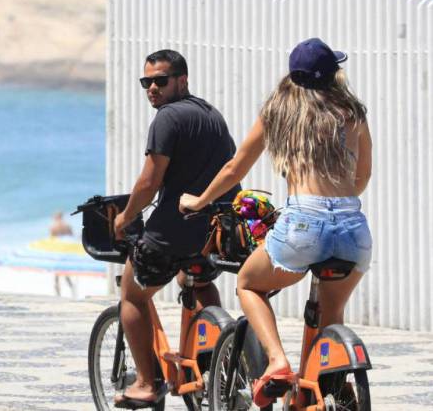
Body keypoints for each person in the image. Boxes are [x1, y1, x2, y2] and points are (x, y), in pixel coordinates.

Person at [180, 38, 372, 407]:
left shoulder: (278, 112)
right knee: (329, 318)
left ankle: (278, 362)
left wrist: (200, 200)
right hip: (353, 228)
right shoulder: (352, 112)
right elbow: (362, 176)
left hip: (303, 224)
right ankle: (323, 390)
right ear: (334, 74)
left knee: (249, 283)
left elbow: (236, 167)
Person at [111, 49, 239, 408]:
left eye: (160, 81)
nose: (152, 88)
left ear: (182, 80)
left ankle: (146, 383)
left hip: (175, 230)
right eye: (146, 82)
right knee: (196, 279)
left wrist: (125, 217)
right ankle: (216, 361)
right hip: (215, 228)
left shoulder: (167, 118)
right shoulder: (210, 113)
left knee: (133, 296)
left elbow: (150, 182)